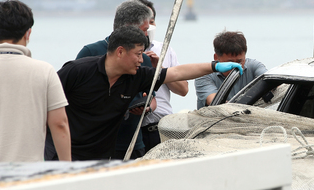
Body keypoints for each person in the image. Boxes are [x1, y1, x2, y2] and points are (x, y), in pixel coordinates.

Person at [54, 25, 241, 161]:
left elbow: (177, 73)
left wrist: (214, 66)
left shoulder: (136, 77)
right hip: (63, 156)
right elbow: (46, 102)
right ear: (120, 52)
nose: (141, 59)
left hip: (102, 160)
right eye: (137, 53)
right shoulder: (77, 71)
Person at [0, 0, 70, 163]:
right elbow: (59, 124)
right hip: (28, 174)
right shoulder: (45, 71)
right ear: (28, 33)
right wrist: (67, 170)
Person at [74, 0, 155, 159]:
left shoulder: (143, 59)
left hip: (132, 144)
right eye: (144, 29)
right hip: (94, 144)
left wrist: (147, 108)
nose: (146, 35)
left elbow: (151, 96)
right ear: (129, 27)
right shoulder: (90, 52)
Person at [136, 0, 188, 151]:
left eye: (152, 22)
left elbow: (183, 89)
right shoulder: (121, 51)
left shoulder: (164, 49)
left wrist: (160, 69)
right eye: (144, 22)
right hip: (133, 129)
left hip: (160, 128)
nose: (149, 26)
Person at [194, 31, 267, 108]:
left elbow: (271, 83)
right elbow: (214, 101)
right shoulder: (203, 75)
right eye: (230, 62)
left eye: (239, 61)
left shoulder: (255, 66)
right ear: (216, 57)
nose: (235, 66)